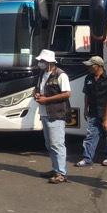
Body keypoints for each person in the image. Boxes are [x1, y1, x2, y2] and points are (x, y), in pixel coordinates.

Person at [34, 49, 72, 184]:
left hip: (56, 113)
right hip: (44, 113)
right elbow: (38, 89)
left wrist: (46, 99)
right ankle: (56, 169)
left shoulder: (61, 75)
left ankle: (61, 173)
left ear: (50, 62)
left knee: (57, 144)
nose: (40, 63)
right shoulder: (42, 74)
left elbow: (67, 94)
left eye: (42, 61)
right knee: (50, 144)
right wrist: (37, 95)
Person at [74, 56, 107, 167]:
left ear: (98, 66)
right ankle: (87, 158)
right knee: (90, 136)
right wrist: (85, 109)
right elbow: (87, 95)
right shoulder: (88, 78)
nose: (88, 67)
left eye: (90, 65)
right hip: (94, 112)